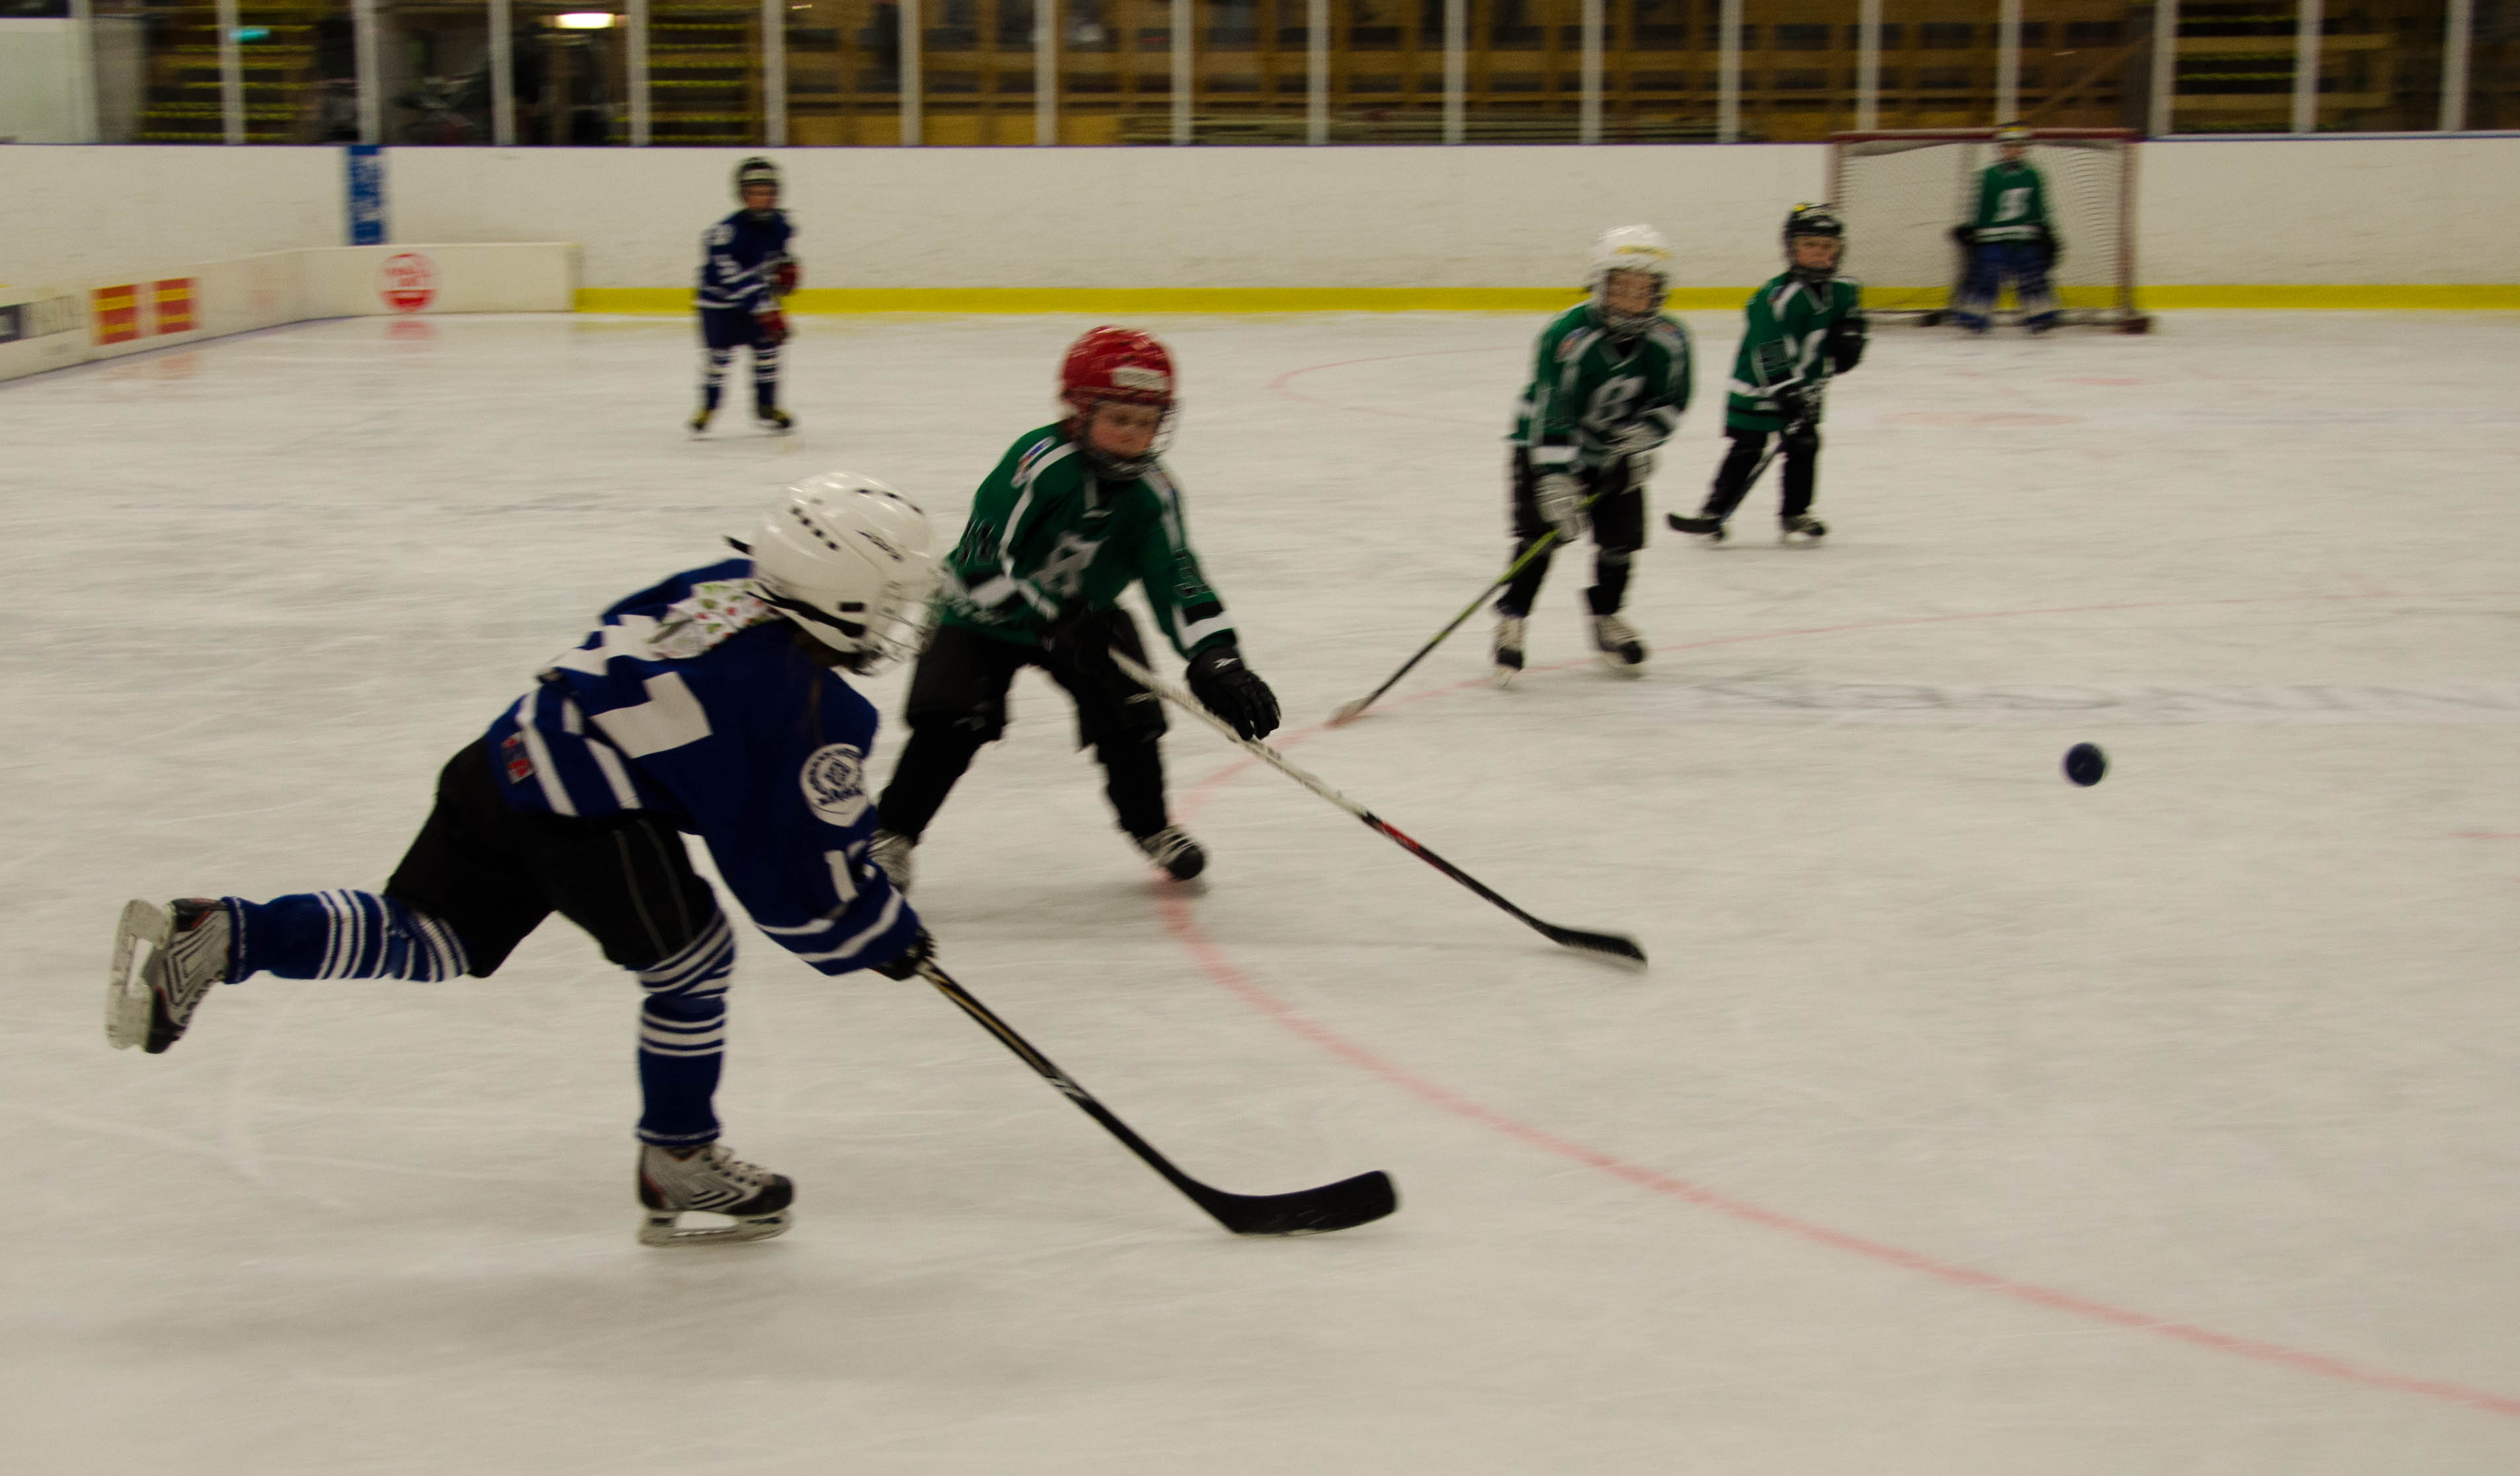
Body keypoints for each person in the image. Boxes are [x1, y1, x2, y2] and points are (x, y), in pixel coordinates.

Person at [106, 474, 943, 1247]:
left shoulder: (724, 582)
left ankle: (227, 934)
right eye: (891, 599)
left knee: (434, 934)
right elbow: (797, 884)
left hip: (510, 754)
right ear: (841, 593)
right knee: (693, 963)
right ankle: (679, 1157)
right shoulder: (808, 709)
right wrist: (884, 933)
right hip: (587, 814)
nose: (900, 620)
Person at [872, 326, 1280, 892]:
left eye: (1147, 421)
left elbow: (1177, 576)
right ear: (1077, 413)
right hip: (982, 612)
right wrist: (1046, 617)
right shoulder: (1039, 463)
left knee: (1132, 721)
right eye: (1119, 418)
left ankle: (1152, 827)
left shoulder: (1154, 492)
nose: (1133, 435)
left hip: (1086, 618)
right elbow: (978, 561)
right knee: (951, 722)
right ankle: (892, 832)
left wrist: (1216, 656)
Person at [1492, 225, 1695, 684]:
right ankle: (1512, 618)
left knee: (1621, 542)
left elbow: (1673, 401)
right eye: (1622, 287)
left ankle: (1607, 617)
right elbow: (1552, 411)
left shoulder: (1671, 339)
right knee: (1540, 539)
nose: (1632, 299)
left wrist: (1642, 441)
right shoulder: (1567, 336)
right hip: (1543, 444)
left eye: (1644, 289)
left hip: (1614, 450)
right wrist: (1555, 477)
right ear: (1600, 285)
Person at [1667, 204, 1866, 545]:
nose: (1819, 253)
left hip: (1807, 386)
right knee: (1748, 447)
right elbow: (1768, 347)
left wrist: (1853, 336)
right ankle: (1713, 511)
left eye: (1827, 246)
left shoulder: (1845, 289)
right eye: (1809, 244)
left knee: (1804, 444)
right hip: (1758, 386)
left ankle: (1795, 513)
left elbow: (1851, 319)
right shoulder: (1775, 297)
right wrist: (1786, 390)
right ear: (1791, 248)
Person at [691, 156, 798, 435]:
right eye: (755, 193)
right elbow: (733, 280)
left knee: (768, 351)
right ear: (742, 195)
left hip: (755, 297)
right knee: (719, 358)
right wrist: (766, 309)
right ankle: (709, 406)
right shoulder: (724, 235)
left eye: (767, 192)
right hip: (718, 305)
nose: (762, 199)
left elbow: (777, 254)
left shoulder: (780, 224)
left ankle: (767, 406)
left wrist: (786, 266)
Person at [1952, 124, 2059, 334]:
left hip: (2026, 238)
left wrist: (2046, 232)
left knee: (2034, 277)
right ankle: (1973, 317)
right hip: (1992, 239)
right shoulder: (1988, 176)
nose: (2013, 150)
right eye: (2008, 146)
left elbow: (2040, 208)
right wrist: (1972, 230)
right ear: (2001, 148)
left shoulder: (2034, 175)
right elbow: (1980, 207)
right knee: (1985, 274)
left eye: (2018, 146)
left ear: (2024, 149)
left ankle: (2041, 317)